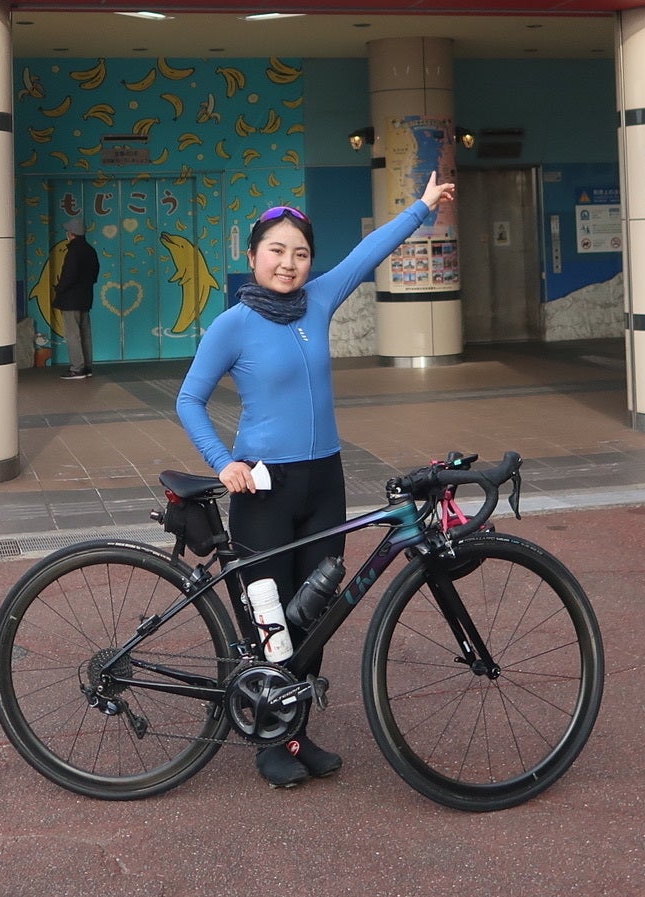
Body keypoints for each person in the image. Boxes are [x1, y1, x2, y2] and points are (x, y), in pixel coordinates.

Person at [176, 172, 458, 791]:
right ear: (253, 256)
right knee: (271, 616)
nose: (289, 263)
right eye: (276, 250)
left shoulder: (319, 300)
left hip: (325, 480)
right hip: (263, 489)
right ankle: (269, 741)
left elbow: (367, 253)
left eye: (300, 253)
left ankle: (297, 732)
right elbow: (189, 400)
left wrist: (421, 206)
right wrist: (224, 462)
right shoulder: (233, 324)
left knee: (317, 611)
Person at [53, 218, 100, 380]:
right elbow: (95, 274)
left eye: (68, 231)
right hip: (85, 298)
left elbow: (69, 276)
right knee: (85, 333)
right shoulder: (90, 250)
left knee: (73, 334)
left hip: (71, 300)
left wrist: (59, 289)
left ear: (72, 233)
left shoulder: (73, 251)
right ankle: (87, 367)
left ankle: (77, 368)